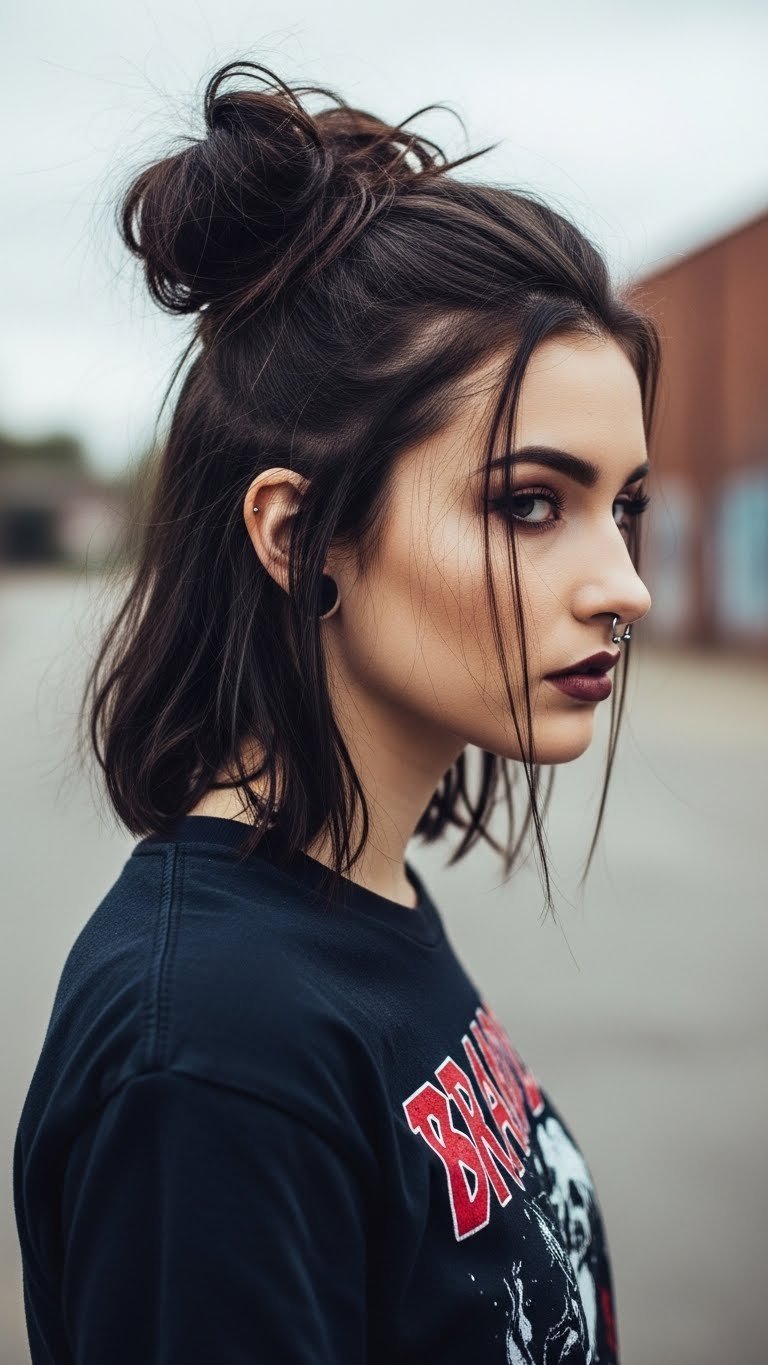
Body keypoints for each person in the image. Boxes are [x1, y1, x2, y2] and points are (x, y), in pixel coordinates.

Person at [13, 57, 658, 1364]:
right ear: (301, 534)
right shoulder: (206, 1056)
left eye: (625, 504)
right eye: (531, 502)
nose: (626, 587)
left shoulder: (353, 912)